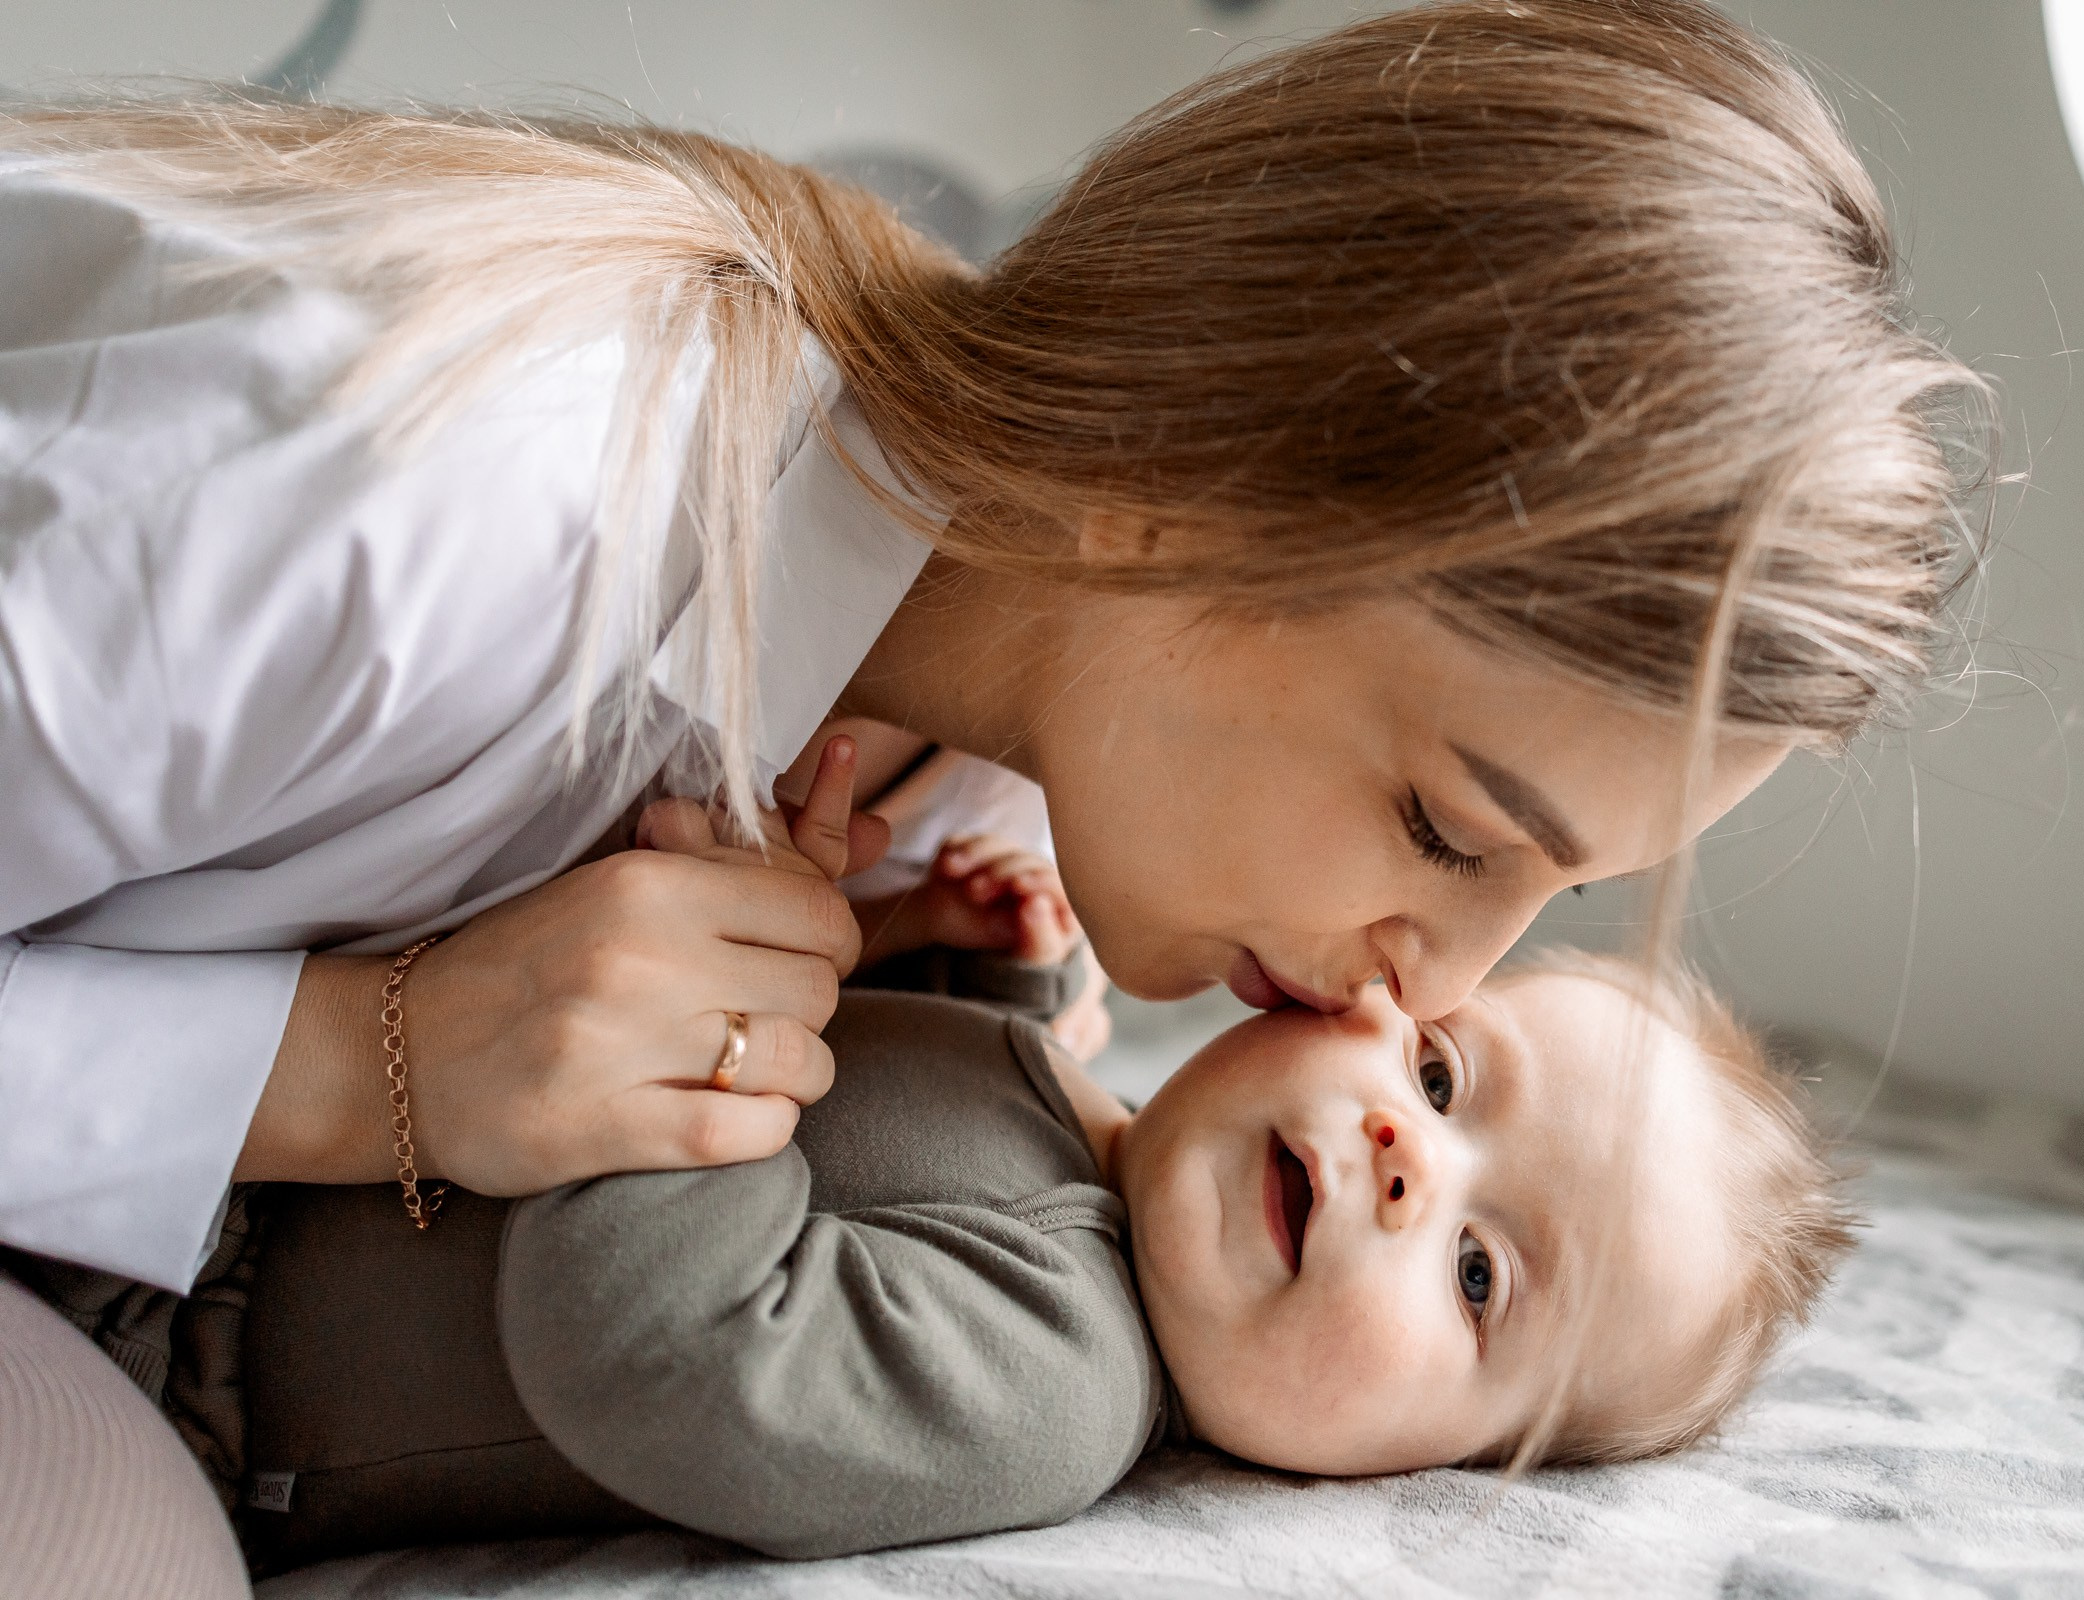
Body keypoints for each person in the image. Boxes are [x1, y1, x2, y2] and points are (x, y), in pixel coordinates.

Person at [0, 1, 1983, 1591]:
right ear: (1182, 483)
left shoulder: (1000, 768)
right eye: (1451, 830)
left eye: (1545, 895)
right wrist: (369, 1065)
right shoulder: (457, 505)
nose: (1429, 991)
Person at [161, 778, 1847, 1574]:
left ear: (1426, 1462)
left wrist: (725, 1021)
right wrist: (973, 972)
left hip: (197, 1355)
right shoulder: (1086, 1121)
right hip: (245, 1137)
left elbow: (667, 1354)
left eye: (1480, 1275)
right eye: (1441, 1073)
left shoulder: (1058, 1386)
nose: (1412, 1161)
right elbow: (907, 1134)